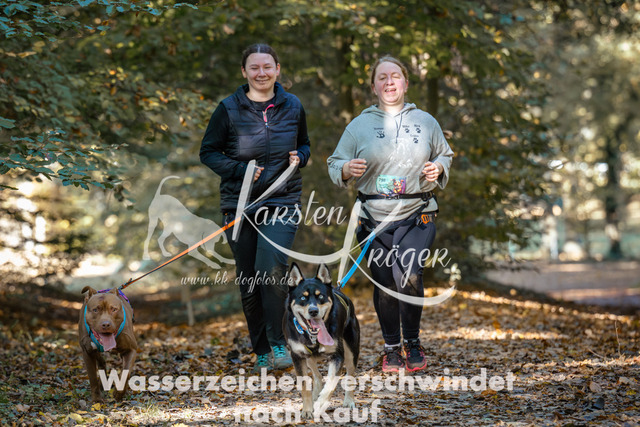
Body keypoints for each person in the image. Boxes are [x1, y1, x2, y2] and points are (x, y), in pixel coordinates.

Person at [327, 55, 453, 373]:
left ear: (405, 83)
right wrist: (346, 168)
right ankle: (391, 349)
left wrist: (439, 167)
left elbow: (445, 154)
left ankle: (413, 343)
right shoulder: (359, 125)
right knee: (385, 283)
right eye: (381, 77)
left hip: (417, 212)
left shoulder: (425, 121)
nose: (389, 82)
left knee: (408, 275)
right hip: (374, 217)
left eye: (394, 76)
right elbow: (334, 162)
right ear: (374, 87)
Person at [200, 43, 311, 372]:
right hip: (239, 204)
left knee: (271, 270)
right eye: (254, 67)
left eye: (267, 67)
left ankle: (279, 343)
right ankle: (261, 350)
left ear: (277, 69)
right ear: (244, 72)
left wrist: (301, 156)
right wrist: (240, 169)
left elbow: (304, 144)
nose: (261, 73)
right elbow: (208, 152)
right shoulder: (228, 108)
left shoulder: (293, 105)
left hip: (282, 201)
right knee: (249, 281)